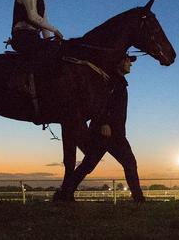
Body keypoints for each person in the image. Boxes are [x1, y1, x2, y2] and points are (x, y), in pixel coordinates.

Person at [57, 54, 146, 202]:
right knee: (127, 162)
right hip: (106, 132)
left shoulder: (116, 81)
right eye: (128, 61)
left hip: (113, 133)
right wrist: (104, 123)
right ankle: (139, 199)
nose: (131, 64)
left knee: (89, 165)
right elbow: (100, 102)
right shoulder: (109, 81)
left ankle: (65, 193)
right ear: (120, 62)